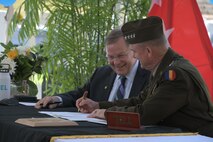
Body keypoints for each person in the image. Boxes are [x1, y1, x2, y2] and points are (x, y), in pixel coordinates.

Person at [77, 16, 213, 137]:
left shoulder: (175, 75)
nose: (134, 56)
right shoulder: (164, 67)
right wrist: (98, 105)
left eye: (134, 51)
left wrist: (107, 113)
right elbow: (140, 100)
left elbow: (145, 114)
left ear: (148, 51)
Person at [35, 28, 150, 109]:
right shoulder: (101, 73)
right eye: (110, 57)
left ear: (133, 51)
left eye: (121, 55)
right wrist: (56, 99)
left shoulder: (150, 76)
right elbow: (80, 94)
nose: (116, 62)